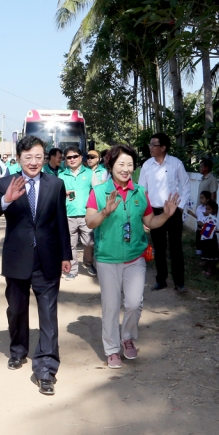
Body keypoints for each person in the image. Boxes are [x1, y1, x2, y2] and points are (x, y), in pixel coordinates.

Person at [0, 135, 72, 396]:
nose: (34, 162)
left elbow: (61, 221)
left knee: (48, 313)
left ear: (44, 157)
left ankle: (46, 369)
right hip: (17, 257)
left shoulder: (55, 184)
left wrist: (66, 255)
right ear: (19, 158)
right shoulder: (6, 182)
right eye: (28, 157)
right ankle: (18, 350)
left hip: (48, 257)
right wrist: (7, 199)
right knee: (16, 309)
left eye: (38, 157)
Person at [85, 145, 179, 369]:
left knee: (134, 304)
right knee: (111, 306)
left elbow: (150, 222)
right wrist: (105, 212)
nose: (126, 169)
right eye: (121, 164)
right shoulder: (99, 192)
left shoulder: (140, 192)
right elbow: (90, 222)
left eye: (129, 164)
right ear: (111, 166)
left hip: (135, 257)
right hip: (108, 258)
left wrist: (165, 216)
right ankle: (111, 349)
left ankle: (127, 338)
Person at [138, 132, 191, 293]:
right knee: (159, 247)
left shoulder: (176, 164)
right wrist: (144, 213)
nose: (150, 147)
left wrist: (180, 207)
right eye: (150, 144)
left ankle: (179, 283)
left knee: (176, 247)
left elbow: (186, 186)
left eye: (153, 145)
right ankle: (161, 280)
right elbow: (142, 190)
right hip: (155, 212)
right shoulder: (147, 165)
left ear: (163, 147)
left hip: (174, 211)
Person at [58, 147, 94, 280]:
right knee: (70, 244)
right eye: (69, 157)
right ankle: (72, 270)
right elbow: (56, 196)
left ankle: (88, 263)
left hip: (87, 215)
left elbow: (97, 192)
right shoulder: (61, 176)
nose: (72, 159)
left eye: (75, 156)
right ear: (65, 160)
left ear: (80, 157)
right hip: (68, 215)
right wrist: (63, 194)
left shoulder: (90, 173)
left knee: (89, 242)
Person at [197, 200, 219, 276]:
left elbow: (209, 227)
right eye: (206, 209)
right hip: (206, 238)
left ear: (214, 210)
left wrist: (202, 224)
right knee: (206, 254)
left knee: (211, 256)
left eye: (209, 209)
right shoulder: (207, 217)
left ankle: (210, 271)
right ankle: (207, 269)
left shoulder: (213, 219)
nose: (207, 211)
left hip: (211, 239)